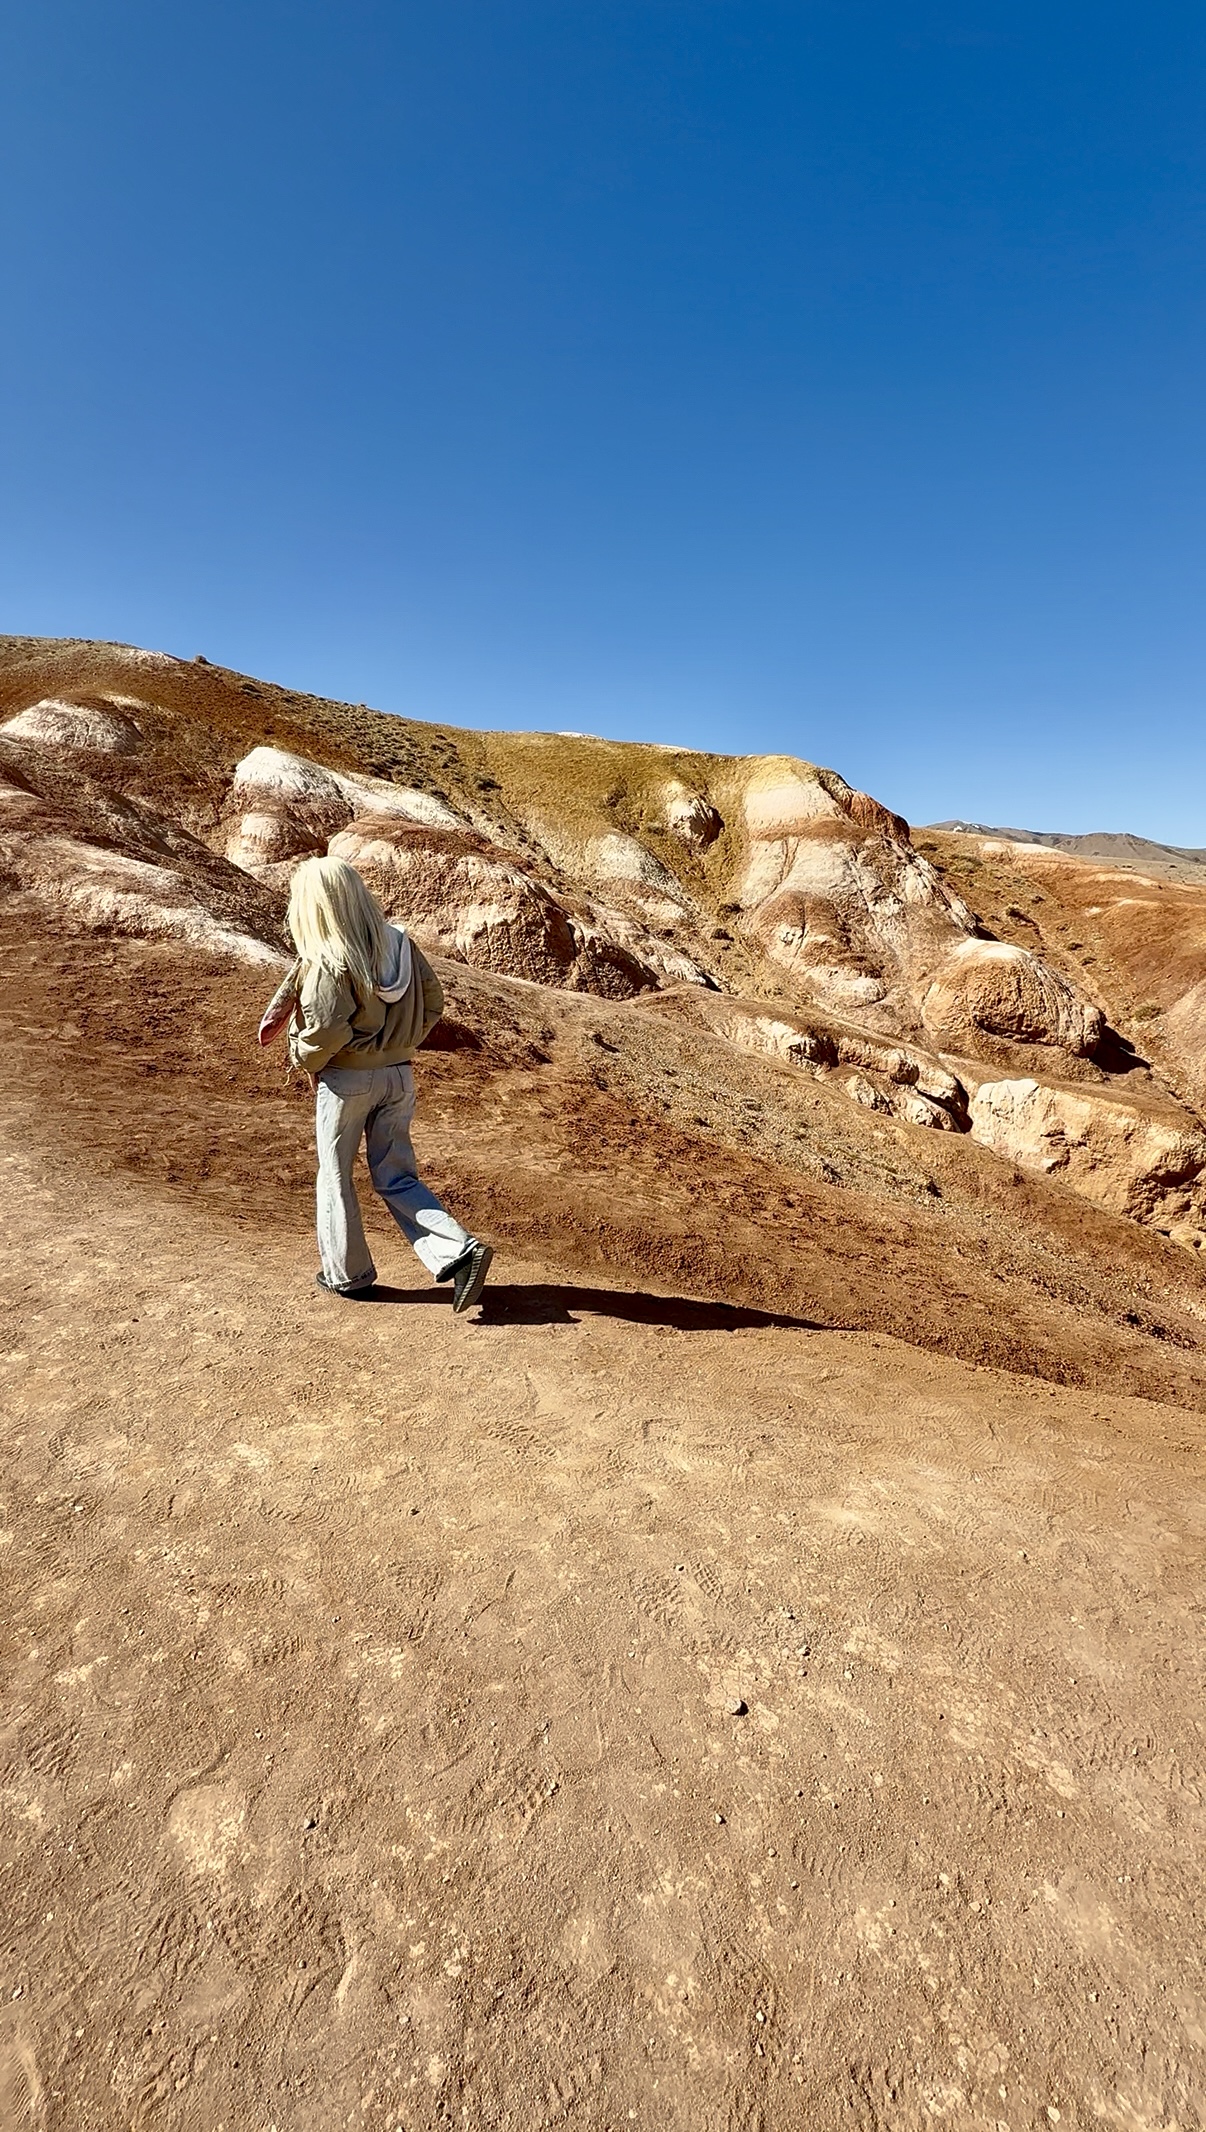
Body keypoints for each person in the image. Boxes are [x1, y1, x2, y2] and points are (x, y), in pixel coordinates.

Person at [257, 855, 493, 1313]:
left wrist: (304, 1056)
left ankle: (349, 1275)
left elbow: (326, 1030)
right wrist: (398, 1045)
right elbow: (433, 1003)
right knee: (396, 1173)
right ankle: (458, 1251)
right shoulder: (400, 944)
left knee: (335, 1174)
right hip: (399, 1076)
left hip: (348, 1080)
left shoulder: (328, 957)